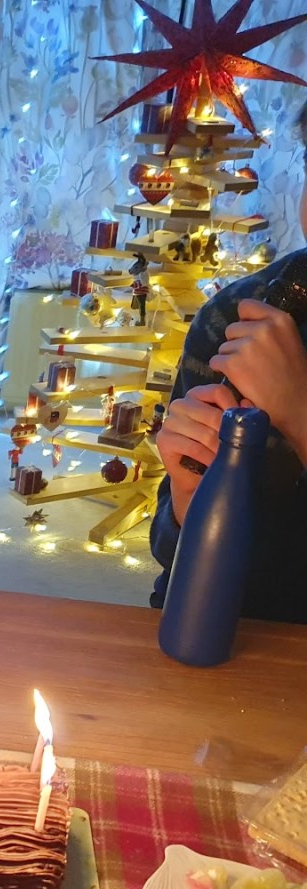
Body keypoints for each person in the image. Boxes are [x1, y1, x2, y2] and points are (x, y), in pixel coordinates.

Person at [150, 99, 307, 623]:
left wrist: (299, 414)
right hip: (225, 621)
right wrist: (190, 495)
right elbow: (171, 554)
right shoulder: (239, 314)